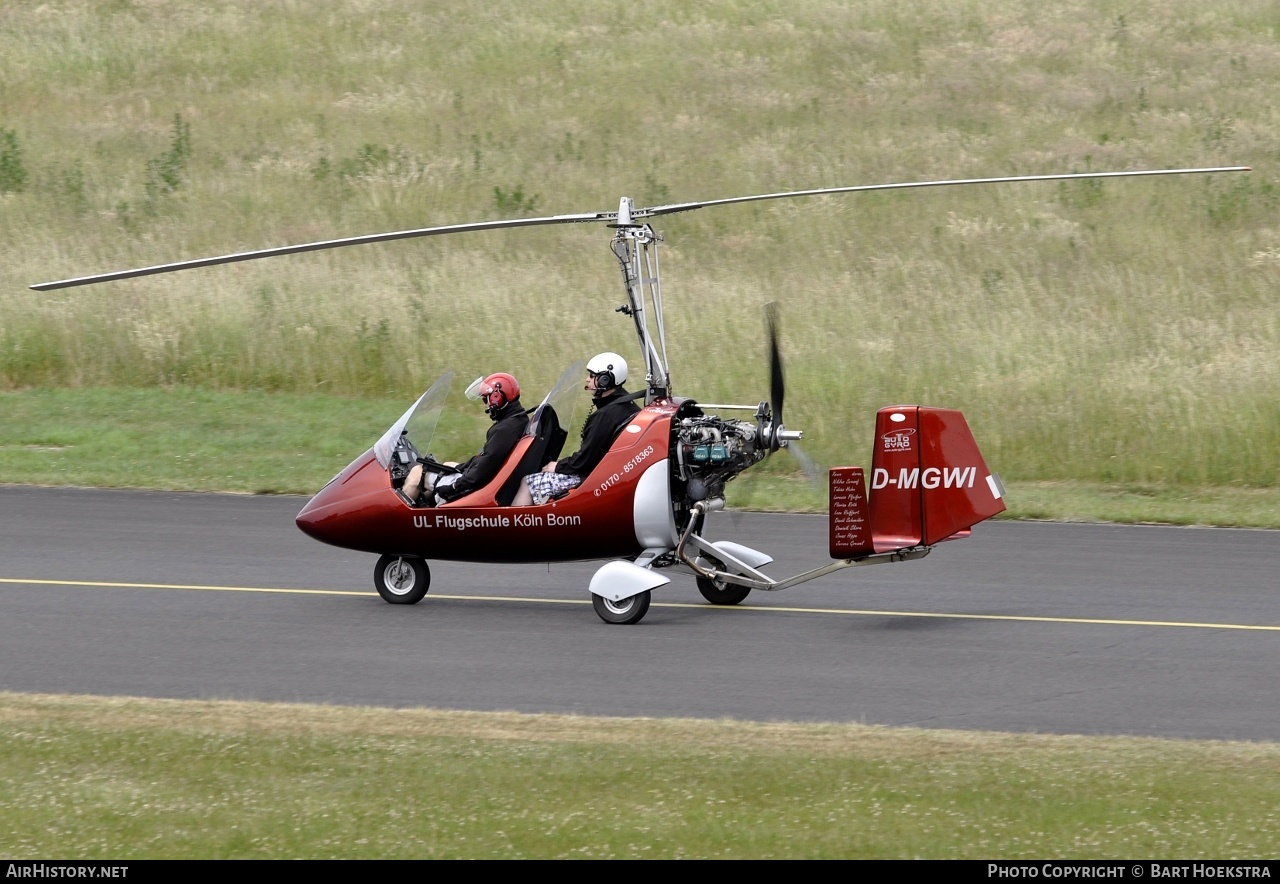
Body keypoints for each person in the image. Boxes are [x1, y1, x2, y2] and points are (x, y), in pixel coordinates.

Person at [512, 352, 640, 506]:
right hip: (607, 473)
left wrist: (557, 466)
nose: (587, 379)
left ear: (605, 379)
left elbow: (584, 461)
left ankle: (515, 528)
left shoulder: (605, 416)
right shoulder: (626, 405)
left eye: (592, 376)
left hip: (591, 478)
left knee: (528, 482)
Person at [403, 372, 527, 505]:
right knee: (447, 465)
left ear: (497, 398)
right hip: (487, 479)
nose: (486, 405)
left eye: (486, 400)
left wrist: (453, 487)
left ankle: (401, 516)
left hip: (476, 487)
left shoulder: (504, 430)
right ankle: (428, 510)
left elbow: (481, 471)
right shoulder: (519, 420)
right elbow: (486, 459)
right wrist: (462, 468)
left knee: (417, 473)